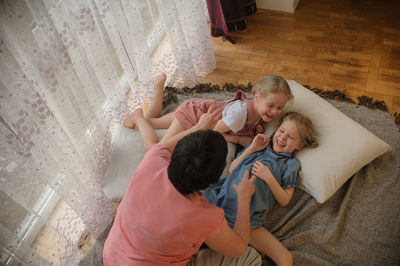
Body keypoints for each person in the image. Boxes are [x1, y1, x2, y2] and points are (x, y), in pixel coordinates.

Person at [103, 105, 262, 265]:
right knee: (250, 257)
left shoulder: (152, 160)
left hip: (112, 257)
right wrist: (243, 198)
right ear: (212, 181)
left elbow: (164, 146)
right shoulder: (206, 217)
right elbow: (238, 248)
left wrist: (199, 127)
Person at [202, 111, 318, 266]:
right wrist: (251, 148)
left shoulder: (291, 165)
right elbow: (232, 169)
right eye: (281, 131)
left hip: (246, 220)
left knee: (285, 258)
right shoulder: (259, 146)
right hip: (219, 201)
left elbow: (284, 199)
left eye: (290, 137)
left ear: (300, 145)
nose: (282, 137)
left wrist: (268, 177)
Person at [123, 74, 293, 147]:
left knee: (151, 122)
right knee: (157, 149)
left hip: (199, 108)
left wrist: (256, 127)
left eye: (280, 107)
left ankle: (158, 88)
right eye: (271, 106)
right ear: (255, 96)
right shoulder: (239, 115)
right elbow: (211, 133)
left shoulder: (258, 111)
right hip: (194, 116)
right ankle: (138, 116)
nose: (275, 112)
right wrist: (238, 139)